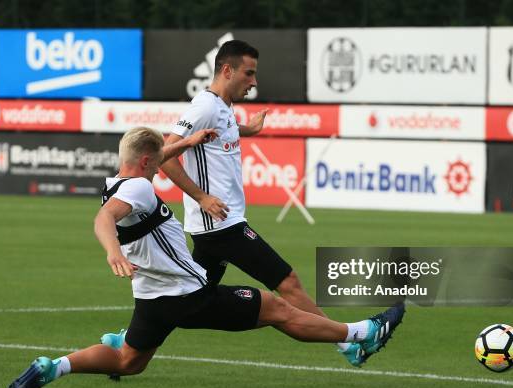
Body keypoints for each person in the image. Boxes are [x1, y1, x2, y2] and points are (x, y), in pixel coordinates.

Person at [6, 127, 405, 388]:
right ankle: (360, 334)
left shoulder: (118, 180)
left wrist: (190, 141)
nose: (161, 166)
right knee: (277, 308)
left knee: (129, 360)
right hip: (187, 294)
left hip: (151, 298)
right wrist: (112, 250)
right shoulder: (140, 188)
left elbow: (148, 166)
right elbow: (104, 219)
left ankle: (52, 367)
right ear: (146, 164)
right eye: (156, 162)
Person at [156, 39, 364, 364]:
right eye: (249, 74)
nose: (253, 82)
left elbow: (219, 131)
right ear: (227, 70)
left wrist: (245, 131)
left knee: (187, 299)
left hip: (215, 227)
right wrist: (201, 196)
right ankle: (347, 342)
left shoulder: (222, 108)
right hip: (222, 226)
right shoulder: (205, 105)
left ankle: (126, 339)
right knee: (288, 281)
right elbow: (165, 155)